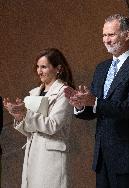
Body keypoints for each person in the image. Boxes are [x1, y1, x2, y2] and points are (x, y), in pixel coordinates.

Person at [64, 14, 129, 188]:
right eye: (104, 35)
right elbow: (96, 109)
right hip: (102, 157)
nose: (106, 40)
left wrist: (95, 102)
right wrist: (81, 105)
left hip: (127, 157)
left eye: (111, 35)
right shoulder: (101, 68)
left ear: (127, 35)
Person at [3, 48, 74, 188]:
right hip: (33, 152)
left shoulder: (65, 92)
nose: (39, 71)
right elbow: (31, 130)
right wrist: (19, 116)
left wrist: (27, 114)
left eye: (44, 67)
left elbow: (53, 125)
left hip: (51, 156)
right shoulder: (34, 93)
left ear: (58, 68)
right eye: (37, 67)